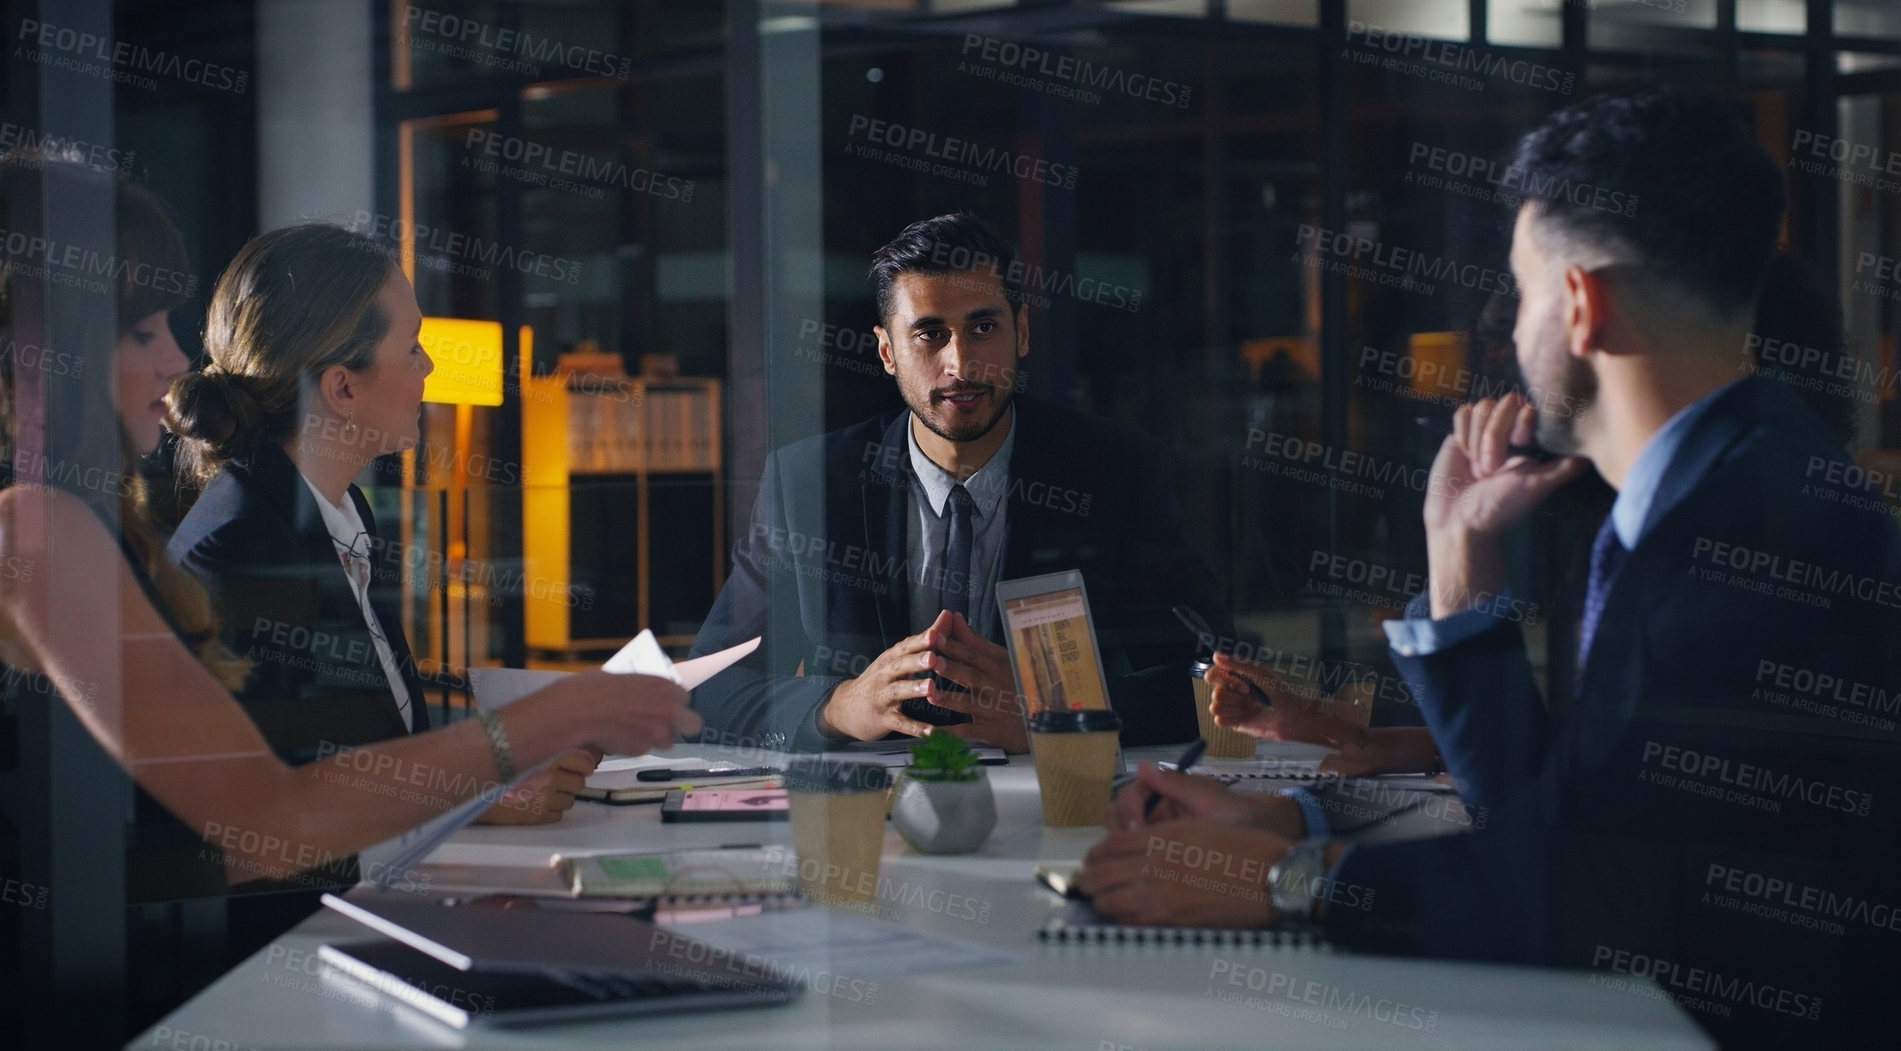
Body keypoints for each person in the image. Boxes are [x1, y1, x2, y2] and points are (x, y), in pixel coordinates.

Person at [1079, 87, 1900, 1048]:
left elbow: (1595, 906)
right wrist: (1460, 564)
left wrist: (1282, 879)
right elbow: (1570, 834)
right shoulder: (1725, 483)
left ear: (1581, 305)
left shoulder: (1745, 534)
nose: (1513, 333)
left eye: (1523, 289)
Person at [0, 159, 698, 894]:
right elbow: (263, 825)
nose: (176, 361)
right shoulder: (59, 530)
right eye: (144, 332)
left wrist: (483, 791)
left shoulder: (316, 518)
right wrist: (556, 716)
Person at [688, 212, 1228, 753]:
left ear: (1020, 332)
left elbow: (1222, 677)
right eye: (929, 334)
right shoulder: (808, 483)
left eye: (983, 328)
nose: (960, 364)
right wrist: (840, 706)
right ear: (886, 351)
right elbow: (708, 687)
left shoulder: (1116, 471)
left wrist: (1054, 716)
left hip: (1060, 797)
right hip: (870, 806)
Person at [167, 224, 595, 825]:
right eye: (413, 346)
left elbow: (367, 753)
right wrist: (472, 797)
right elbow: (263, 809)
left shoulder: (339, 511)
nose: (429, 365)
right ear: (342, 386)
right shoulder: (238, 548)